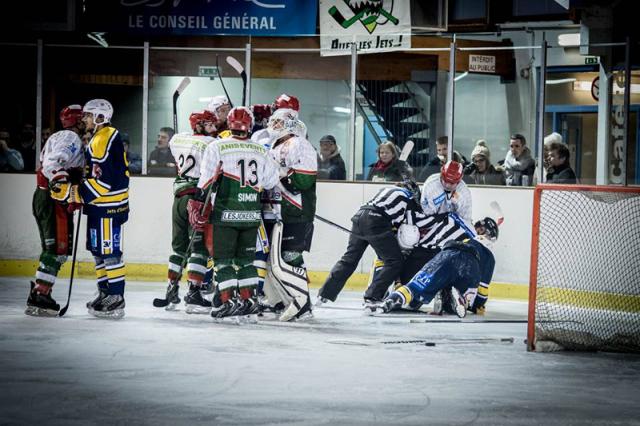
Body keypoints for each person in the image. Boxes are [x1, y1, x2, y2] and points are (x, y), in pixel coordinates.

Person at [189, 106, 280, 319]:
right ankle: (248, 301)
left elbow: (206, 179)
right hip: (251, 215)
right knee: (246, 261)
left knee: (223, 261)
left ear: (229, 124)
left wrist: (196, 203)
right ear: (249, 126)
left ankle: (227, 301)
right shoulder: (261, 150)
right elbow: (271, 180)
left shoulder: (218, 146)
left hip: (225, 213)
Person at [57, 99, 130, 319]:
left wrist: (77, 193)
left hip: (108, 207)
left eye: (88, 115)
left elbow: (105, 181)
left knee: (110, 254)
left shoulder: (103, 138)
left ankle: (116, 297)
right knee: (98, 252)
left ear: (100, 117)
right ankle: (105, 292)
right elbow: (96, 174)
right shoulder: (99, 137)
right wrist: (80, 182)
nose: (85, 119)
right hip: (99, 205)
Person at [317, 180, 431, 309]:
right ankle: (372, 297)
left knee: (349, 259)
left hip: (359, 217)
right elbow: (404, 227)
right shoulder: (408, 197)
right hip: (376, 221)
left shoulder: (386, 190)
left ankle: (324, 294)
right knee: (394, 261)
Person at [25, 105, 85, 316]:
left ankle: (42, 292)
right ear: (76, 120)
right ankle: (40, 294)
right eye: (83, 118)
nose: (86, 121)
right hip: (53, 199)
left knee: (55, 249)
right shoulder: (70, 138)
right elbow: (52, 164)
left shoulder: (63, 136)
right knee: (56, 250)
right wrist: (64, 184)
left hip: (47, 197)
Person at [258, 108, 317, 321]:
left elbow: (302, 180)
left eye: (278, 122)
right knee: (272, 261)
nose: (273, 125)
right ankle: (281, 300)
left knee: (290, 257)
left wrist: (277, 173)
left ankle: (303, 303)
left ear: (290, 124)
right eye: (272, 121)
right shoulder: (275, 144)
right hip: (277, 212)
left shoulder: (299, 144)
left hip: (295, 212)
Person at [380, 217, 498, 318]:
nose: (477, 230)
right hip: (471, 265)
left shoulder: (467, 238)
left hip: (447, 254)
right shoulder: (489, 256)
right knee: (465, 299)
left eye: (481, 229)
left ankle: (395, 298)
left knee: (417, 285)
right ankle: (457, 299)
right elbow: (483, 289)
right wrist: (478, 305)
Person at [159, 110, 217, 313]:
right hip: (197, 200)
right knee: (199, 249)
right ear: (199, 124)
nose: (214, 128)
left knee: (178, 248)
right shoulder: (212, 143)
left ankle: (171, 289)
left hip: (178, 198)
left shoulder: (177, 140)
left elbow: (181, 143)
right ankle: (194, 293)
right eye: (209, 124)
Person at [421, 160, 472, 225]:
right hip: (431, 223)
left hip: (454, 226)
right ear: (441, 175)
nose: (447, 185)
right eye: (445, 181)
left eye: (451, 183)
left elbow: (466, 221)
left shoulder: (464, 193)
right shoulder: (430, 185)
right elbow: (425, 213)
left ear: (458, 181)